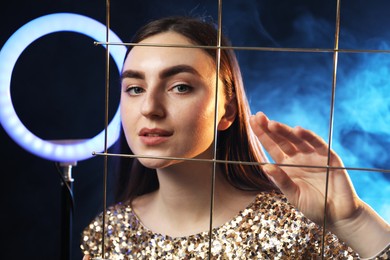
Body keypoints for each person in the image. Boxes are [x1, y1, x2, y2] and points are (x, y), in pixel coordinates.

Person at [81, 16, 390, 259]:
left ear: (227, 111)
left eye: (180, 87)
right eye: (135, 89)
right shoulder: (110, 232)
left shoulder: (295, 226)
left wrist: (355, 221)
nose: (150, 108)